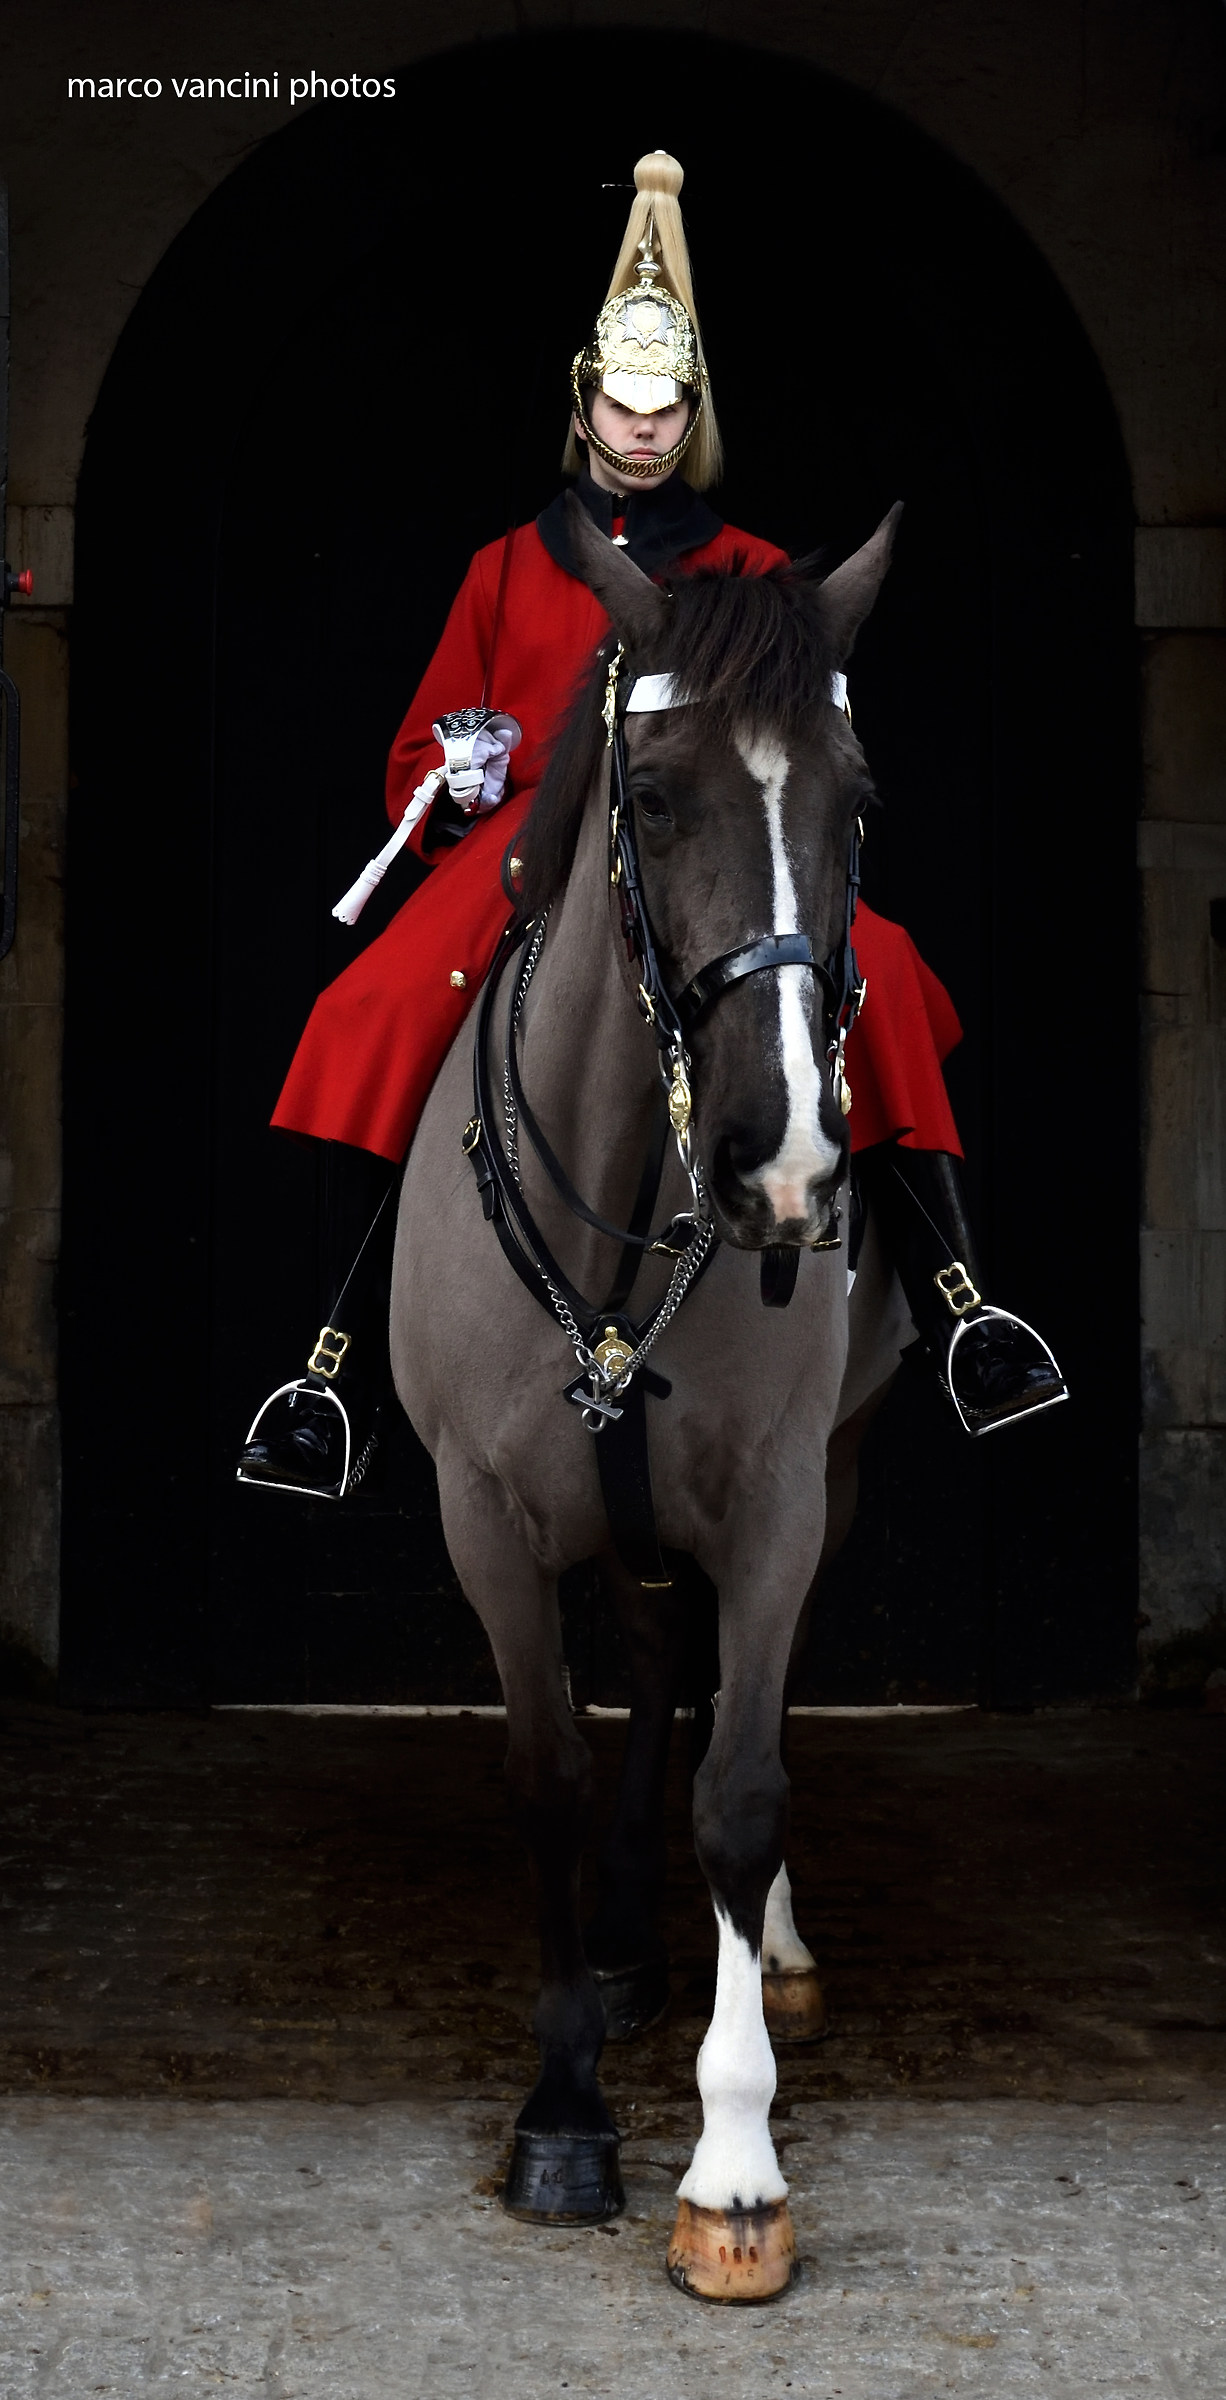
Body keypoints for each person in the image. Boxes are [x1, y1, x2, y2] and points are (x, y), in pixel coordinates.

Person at [238, 152, 1065, 1500]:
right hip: (527, 856)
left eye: (665, 405)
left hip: (715, 853)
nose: (643, 426)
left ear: (691, 412)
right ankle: (329, 1370)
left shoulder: (746, 572)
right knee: (368, 1009)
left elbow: (796, 739)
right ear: (585, 409)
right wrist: (447, 776)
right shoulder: (504, 568)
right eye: (621, 406)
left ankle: (964, 1306)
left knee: (893, 976)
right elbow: (419, 746)